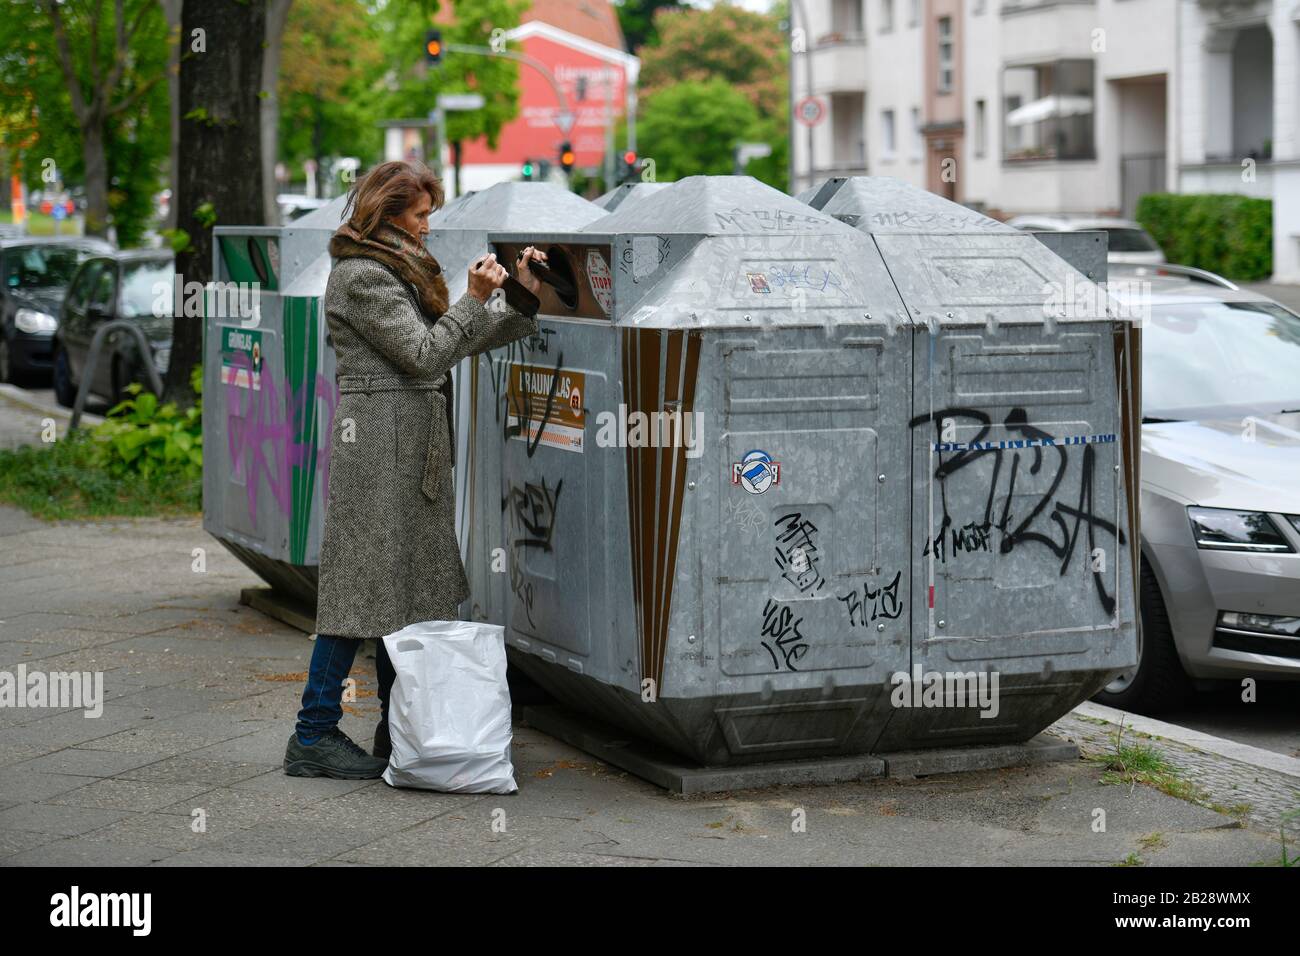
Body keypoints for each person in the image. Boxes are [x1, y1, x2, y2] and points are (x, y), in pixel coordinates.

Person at [283, 160, 547, 779]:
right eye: (421, 215)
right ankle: (312, 733)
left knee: (404, 593)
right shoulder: (363, 277)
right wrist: (476, 299)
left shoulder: (397, 272)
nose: (429, 227)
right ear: (387, 214)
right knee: (359, 590)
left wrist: (521, 299)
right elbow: (426, 351)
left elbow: (451, 340)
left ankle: (395, 730)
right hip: (379, 443)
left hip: (408, 441)